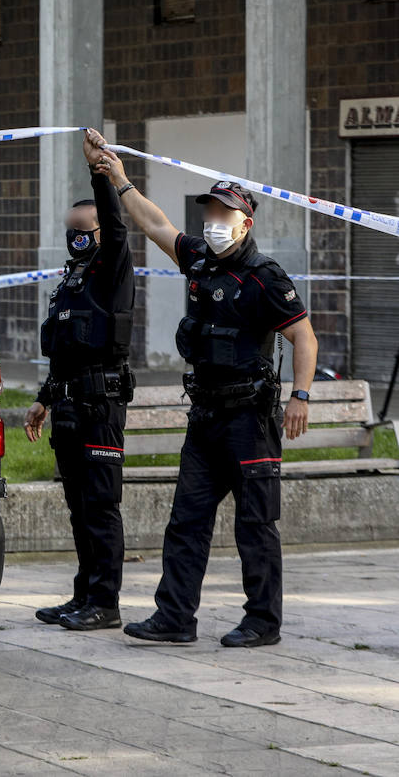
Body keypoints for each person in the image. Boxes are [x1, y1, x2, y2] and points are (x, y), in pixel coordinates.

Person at [85, 128, 317, 648]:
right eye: (209, 213)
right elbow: (153, 222)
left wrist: (300, 396)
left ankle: (262, 621)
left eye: (223, 215)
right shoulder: (200, 260)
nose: (213, 223)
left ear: (245, 223)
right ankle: (174, 618)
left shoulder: (265, 277)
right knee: (186, 522)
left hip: (249, 422)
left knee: (256, 526)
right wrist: (117, 175)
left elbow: (304, 336)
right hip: (207, 418)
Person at [24, 132, 136, 632]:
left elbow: (116, 227)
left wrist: (102, 174)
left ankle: (106, 602)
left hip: (101, 404)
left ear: (97, 232)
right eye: (69, 229)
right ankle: (83, 594)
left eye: (81, 229)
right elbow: (63, 351)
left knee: (100, 506)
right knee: (77, 507)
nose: (75, 236)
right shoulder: (70, 281)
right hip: (68, 406)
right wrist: (43, 400)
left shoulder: (111, 270)